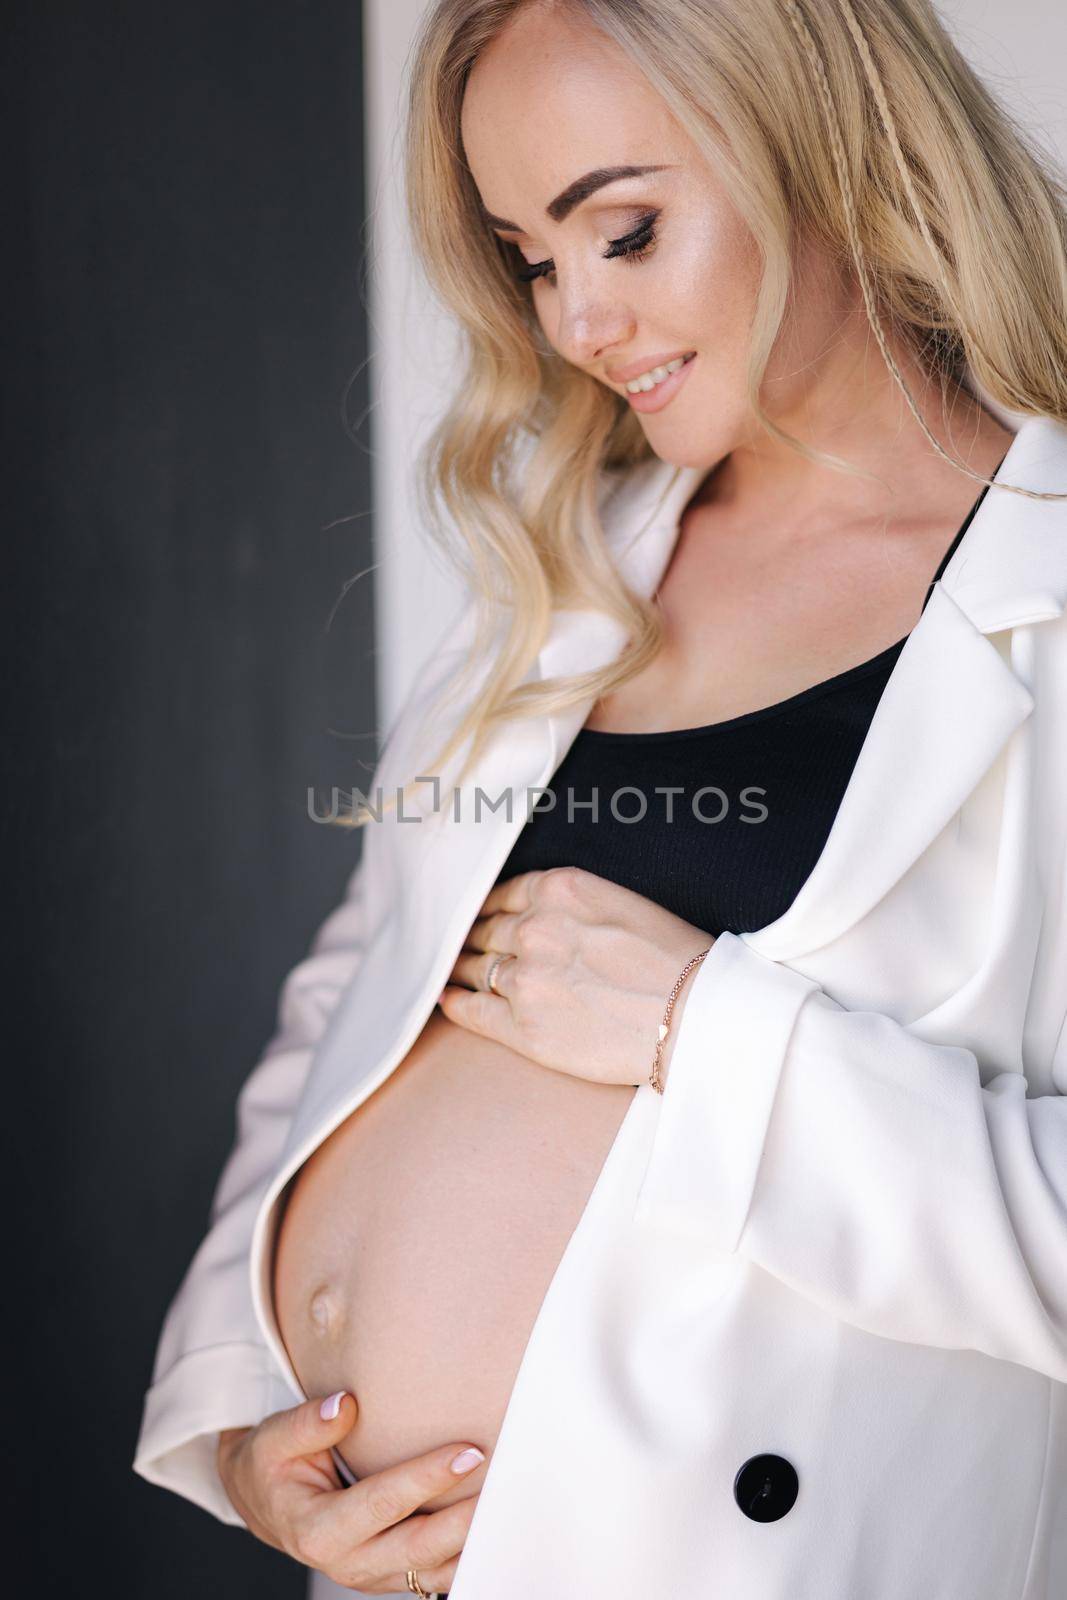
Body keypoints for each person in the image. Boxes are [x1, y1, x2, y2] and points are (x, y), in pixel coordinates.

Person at [134, 2, 1067, 1596]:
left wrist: (698, 1036)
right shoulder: (575, 558)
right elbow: (348, 1010)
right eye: (531, 259)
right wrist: (238, 1415)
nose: (574, 321)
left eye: (623, 231)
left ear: (827, 145)